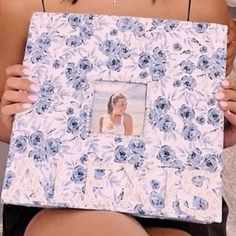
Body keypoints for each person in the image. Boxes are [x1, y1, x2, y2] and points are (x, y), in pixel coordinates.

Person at [1, 0, 236, 235]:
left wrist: (218, 131)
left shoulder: (201, 5)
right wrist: (16, 122)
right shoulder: (20, 5)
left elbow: (189, 120)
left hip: (168, 193)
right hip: (55, 194)